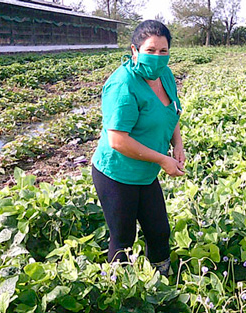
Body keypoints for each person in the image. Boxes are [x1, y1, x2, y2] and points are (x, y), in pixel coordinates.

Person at [91, 20, 185, 276]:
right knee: (123, 239)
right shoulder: (123, 85)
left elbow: (171, 110)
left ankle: (162, 283)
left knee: (159, 230)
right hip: (117, 173)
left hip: (145, 171)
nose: (157, 57)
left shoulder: (164, 75)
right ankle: (119, 291)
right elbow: (117, 140)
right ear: (134, 50)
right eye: (150, 50)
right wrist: (162, 160)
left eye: (163, 51)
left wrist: (177, 143)